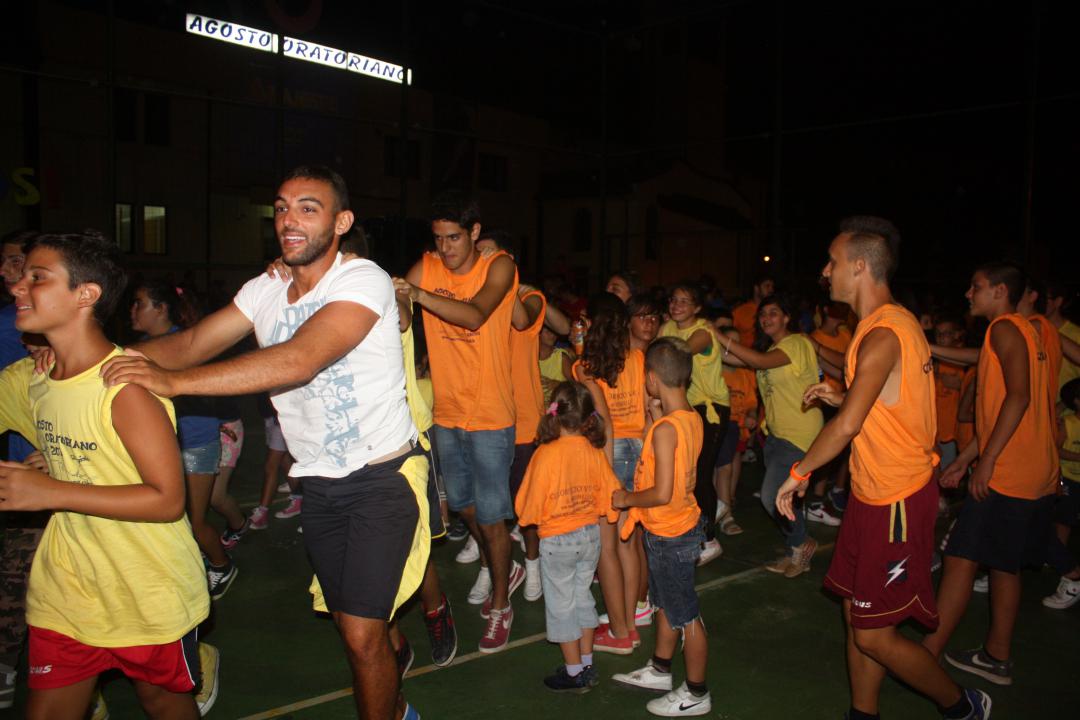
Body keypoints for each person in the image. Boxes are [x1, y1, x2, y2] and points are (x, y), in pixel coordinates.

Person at [99, 166, 427, 720]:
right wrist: (92, 357)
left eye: (308, 208)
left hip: (381, 478)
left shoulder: (362, 278)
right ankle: (394, 674)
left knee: (359, 636)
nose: (288, 220)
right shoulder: (265, 289)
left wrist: (174, 383)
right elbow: (192, 343)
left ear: (341, 222)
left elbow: (300, 358)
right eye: (281, 208)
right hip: (317, 483)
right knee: (352, 624)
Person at [775, 216, 990, 720]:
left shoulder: (884, 333)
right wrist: (842, 395)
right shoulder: (881, 325)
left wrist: (799, 474)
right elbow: (882, 402)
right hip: (870, 493)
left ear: (859, 266)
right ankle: (863, 712)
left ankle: (962, 706)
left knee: (873, 633)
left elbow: (848, 426)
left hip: (897, 499)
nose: (824, 271)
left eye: (832, 262)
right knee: (856, 614)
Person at [0, 231, 209, 719]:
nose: (17, 287)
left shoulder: (126, 385)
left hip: (145, 588)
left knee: (162, 703)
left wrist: (50, 491)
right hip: (67, 589)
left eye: (37, 277)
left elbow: (166, 500)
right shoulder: (38, 380)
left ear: (86, 294)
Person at [394, 193, 524, 654]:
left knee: (490, 516)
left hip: (490, 415)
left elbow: (474, 315)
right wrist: (398, 301)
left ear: (474, 232)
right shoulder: (427, 266)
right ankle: (502, 562)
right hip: (447, 413)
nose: (445, 248)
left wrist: (417, 294)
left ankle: (501, 603)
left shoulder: (499, 266)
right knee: (466, 508)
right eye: (438, 239)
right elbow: (400, 314)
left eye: (453, 237)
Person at [923, 262, 1058, 689]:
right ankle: (996, 656)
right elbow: (1001, 407)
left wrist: (988, 460)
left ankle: (926, 656)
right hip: (1033, 470)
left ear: (1000, 291)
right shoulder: (1024, 332)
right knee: (1003, 564)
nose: (969, 293)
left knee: (959, 557)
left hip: (1010, 472)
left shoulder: (1003, 328)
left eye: (976, 286)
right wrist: (966, 457)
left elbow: (1018, 399)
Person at [611, 338, 711, 718]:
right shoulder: (690, 418)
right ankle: (660, 669)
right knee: (666, 604)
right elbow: (671, 456)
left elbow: (662, 492)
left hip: (671, 534)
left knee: (686, 614)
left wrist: (626, 498)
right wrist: (655, 415)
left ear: (651, 379)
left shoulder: (668, 429)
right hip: (674, 528)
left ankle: (697, 692)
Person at [129, 279, 243, 599]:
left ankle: (222, 565)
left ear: (161, 309)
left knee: (193, 520)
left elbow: (211, 388)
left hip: (195, 444)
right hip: (163, 447)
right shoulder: (141, 347)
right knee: (167, 519)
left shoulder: (186, 345)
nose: (132, 310)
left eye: (140, 303)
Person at [514, 381, 620, 693]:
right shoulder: (593, 450)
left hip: (558, 541)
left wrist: (527, 518)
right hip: (590, 537)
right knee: (583, 597)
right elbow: (611, 490)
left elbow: (528, 504)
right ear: (588, 418)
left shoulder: (545, 454)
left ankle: (574, 672)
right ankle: (586, 663)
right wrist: (608, 513)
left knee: (562, 605)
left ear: (555, 413)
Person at [724, 293, 823, 577]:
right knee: (786, 497)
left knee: (771, 496)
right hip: (777, 435)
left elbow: (758, 361)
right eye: (763, 314)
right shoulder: (771, 349)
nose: (766, 318)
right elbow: (746, 362)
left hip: (799, 432)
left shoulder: (797, 343)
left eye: (773, 313)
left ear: (787, 317)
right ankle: (796, 553)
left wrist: (719, 336)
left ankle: (802, 543)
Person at [573, 293, 647, 654]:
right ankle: (630, 623)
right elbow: (648, 408)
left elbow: (602, 419)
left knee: (607, 548)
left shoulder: (584, 367)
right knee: (629, 541)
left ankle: (619, 632)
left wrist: (605, 472)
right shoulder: (638, 357)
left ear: (591, 323)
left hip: (610, 453)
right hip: (639, 448)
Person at [659, 283, 730, 565]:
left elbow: (681, 353)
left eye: (684, 301)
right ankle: (714, 506)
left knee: (700, 473)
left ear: (697, 308)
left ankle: (709, 540)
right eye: (673, 300)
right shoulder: (667, 328)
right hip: (685, 408)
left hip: (711, 408)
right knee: (689, 472)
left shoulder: (703, 331)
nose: (676, 305)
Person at [1043, 378, 1080, 609]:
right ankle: (1059, 555)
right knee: (1063, 519)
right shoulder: (1067, 423)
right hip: (1069, 478)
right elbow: (1056, 450)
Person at [731, 273, 775, 346]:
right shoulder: (740, 311)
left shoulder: (775, 311)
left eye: (772, 286)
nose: (771, 290)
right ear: (756, 288)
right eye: (767, 286)